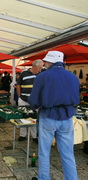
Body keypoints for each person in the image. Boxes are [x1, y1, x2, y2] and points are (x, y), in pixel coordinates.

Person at [29, 51, 79, 180]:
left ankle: (44, 178)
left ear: (48, 62)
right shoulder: (72, 76)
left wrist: (35, 106)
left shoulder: (43, 76)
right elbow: (76, 98)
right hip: (67, 117)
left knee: (44, 152)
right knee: (68, 153)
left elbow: (34, 100)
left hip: (48, 116)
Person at [16, 60, 44, 142]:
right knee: (23, 117)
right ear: (34, 66)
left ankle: (34, 136)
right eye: (39, 68)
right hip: (23, 99)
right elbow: (18, 85)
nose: (40, 69)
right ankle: (22, 135)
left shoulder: (41, 75)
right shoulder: (24, 73)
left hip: (35, 101)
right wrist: (19, 96)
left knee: (34, 118)